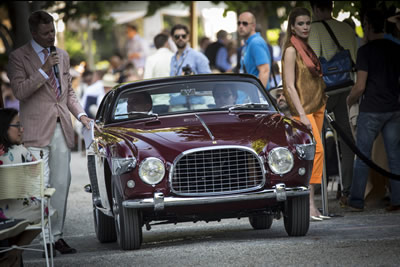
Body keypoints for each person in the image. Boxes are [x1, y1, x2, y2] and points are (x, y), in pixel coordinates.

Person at [7, 10, 93, 255]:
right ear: (34, 32)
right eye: (45, 33)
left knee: (61, 185)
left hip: (61, 127)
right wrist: (44, 70)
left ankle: (56, 236)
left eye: (53, 31)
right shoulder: (18, 57)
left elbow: (68, 94)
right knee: (39, 187)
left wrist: (82, 116)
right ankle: (44, 239)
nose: (50, 37)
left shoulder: (62, 55)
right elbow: (20, 91)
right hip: (34, 130)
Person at [346, 9, 400, 212]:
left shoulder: (365, 51)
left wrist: (349, 100)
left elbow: (360, 86)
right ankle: (398, 200)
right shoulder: (396, 48)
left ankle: (357, 201)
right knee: (395, 157)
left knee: (363, 157)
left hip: (371, 110)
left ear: (367, 26)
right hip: (393, 109)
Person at [308, 0, 358, 206]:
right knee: (347, 139)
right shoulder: (346, 28)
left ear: (315, 8)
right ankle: (347, 189)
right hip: (347, 87)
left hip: (324, 91)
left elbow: (313, 62)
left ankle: (317, 188)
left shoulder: (314, 28)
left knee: (316, 137)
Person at [281, 7, 328, 220]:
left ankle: (312, 204)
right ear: (292, 26)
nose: (306, 27)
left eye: (308, 23)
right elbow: (289, 86)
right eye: (301, 23)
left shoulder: (305, 47)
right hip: (304, 109)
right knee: (315, 153)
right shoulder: (291, 49)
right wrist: (300, 115)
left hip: (317, 105)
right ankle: (308, 205)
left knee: (315, 155)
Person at [0, 108, 42, 266]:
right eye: (17, 125)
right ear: (4, 127)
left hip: (1, 214)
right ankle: (15, 252)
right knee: (44, 208)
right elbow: (36, 175)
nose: (21, 129)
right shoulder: (22, 152)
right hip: (17, 212)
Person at [237, 11, 271, 89]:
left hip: (255, 96)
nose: (241, 26)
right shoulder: (248, 43)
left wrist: (259, 96)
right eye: (239, 23)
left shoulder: (255, 43)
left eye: (245, 23)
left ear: (253, 26)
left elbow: (264, 70)